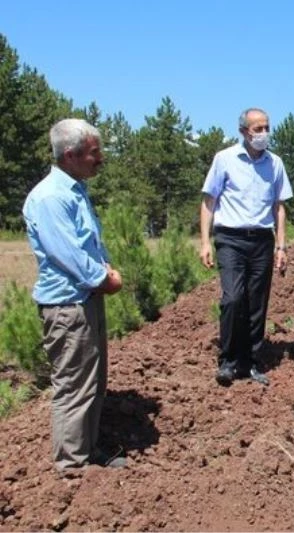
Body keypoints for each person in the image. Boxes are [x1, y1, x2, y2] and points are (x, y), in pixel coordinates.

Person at [23, 118, 125, 470]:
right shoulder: (51, 198)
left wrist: (105, 267)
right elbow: (68, 254)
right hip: (68, 305)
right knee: (74, 386)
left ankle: (87, 451)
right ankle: (72, 466)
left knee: (93, 380)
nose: (100, 159)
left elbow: (88, 243)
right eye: (94, 153)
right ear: (71, 155)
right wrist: (105, 278)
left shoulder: (74, 190)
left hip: (84, 299)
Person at [200, 107, 292, 387]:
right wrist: (205, 242)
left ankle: (251, 361)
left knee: (256, 302)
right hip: (230, 238)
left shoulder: (274, 164)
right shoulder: (225, 159)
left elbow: (279, 207)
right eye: (257, 129)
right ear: (243, 132)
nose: (263, 134)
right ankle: (228, 361)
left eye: (266, 128)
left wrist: (281, 246)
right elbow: (208, 201)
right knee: (232, 298)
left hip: (262, 240)